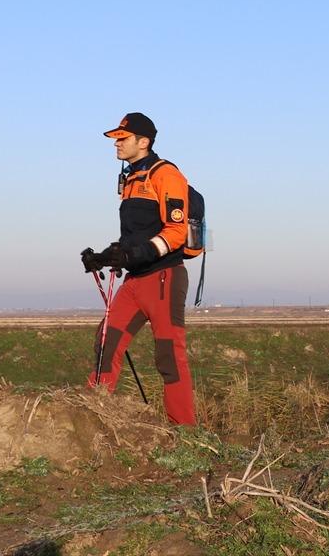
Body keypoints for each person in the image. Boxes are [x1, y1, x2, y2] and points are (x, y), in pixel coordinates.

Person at [81, 112, 196, 425]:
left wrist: (135, 256)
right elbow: (131, 240)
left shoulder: (166, 174)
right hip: (134, 281)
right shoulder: (131, 179)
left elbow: (174, 233)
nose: (117, 144)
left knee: (169, 357)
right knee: (107, 342)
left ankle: (185, 433)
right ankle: (95, 418)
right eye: (116, 138)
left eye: (123, 138)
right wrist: (104, 258)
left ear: (143, 142)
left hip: (164, 278)